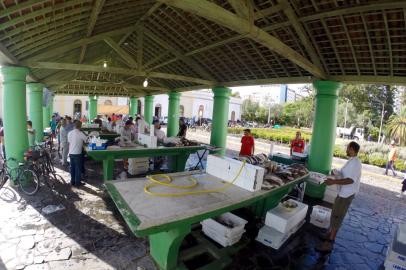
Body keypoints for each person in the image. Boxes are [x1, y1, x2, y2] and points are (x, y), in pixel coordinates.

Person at [316, 141, 362, 252]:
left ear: (352, 149)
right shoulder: (351, 161)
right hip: (342, 193)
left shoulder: (356, 163)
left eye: (348, 148)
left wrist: (333, 182)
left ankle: (329, 244)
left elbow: (350, 180)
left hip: (346, 194)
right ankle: (329, 235)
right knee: (335, 214)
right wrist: (335, 171)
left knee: (337, 217)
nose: (346, 150)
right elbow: (343, 172)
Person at [68, 121, 87, 187]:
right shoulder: (80, 133)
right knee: (78, 168)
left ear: (74, 126)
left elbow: (69, 141)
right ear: (80, 126)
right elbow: (86, 139)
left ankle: (72, 181)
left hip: (71, 153)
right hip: (77, 153)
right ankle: (77, 183)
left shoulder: (70, 133)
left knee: (72, 167)